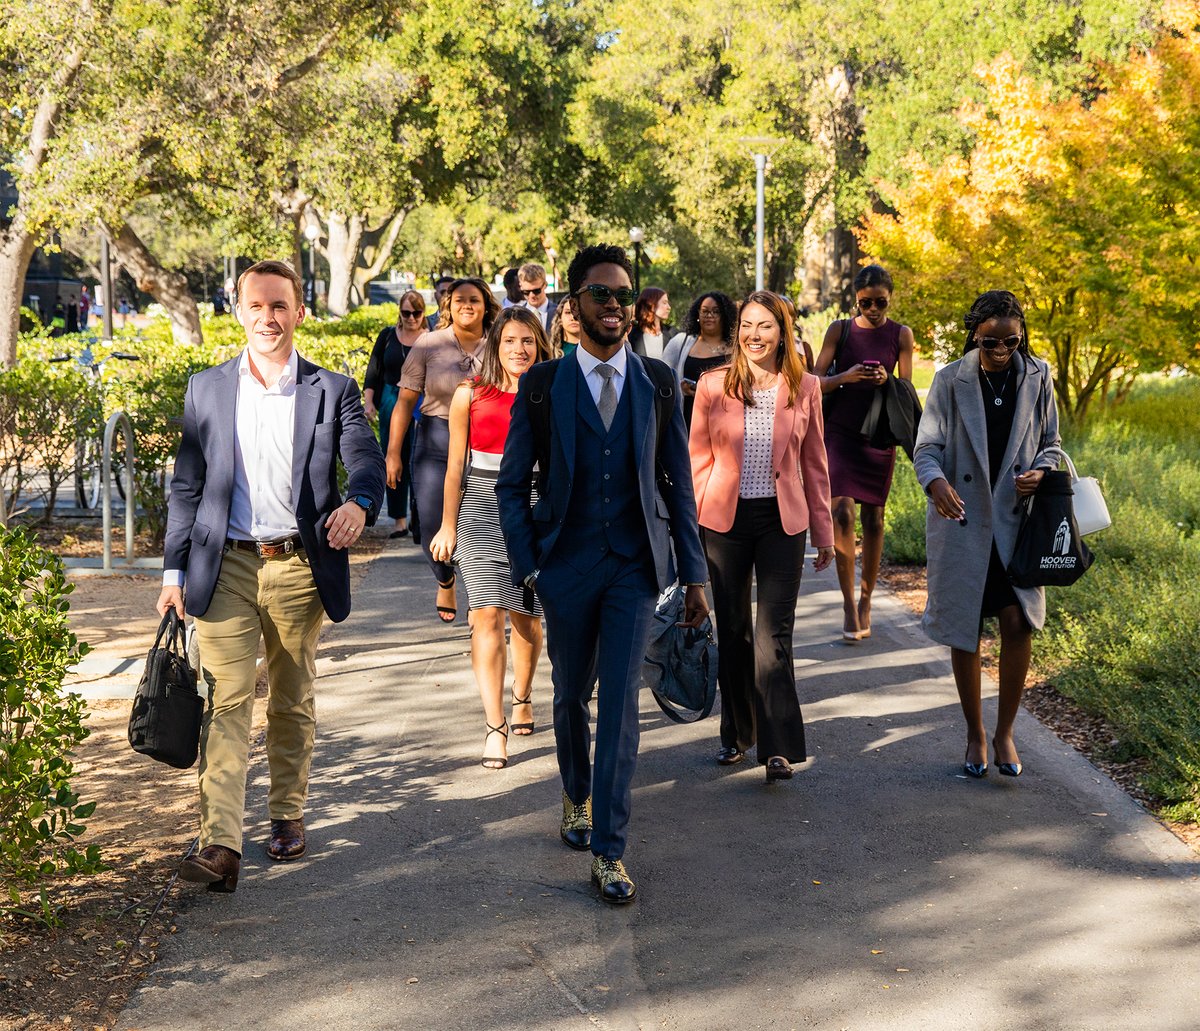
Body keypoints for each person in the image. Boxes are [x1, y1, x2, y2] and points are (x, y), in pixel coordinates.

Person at [157, 259, 385, 894]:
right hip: (222, 563)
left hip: (297, 566)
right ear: (237, 312)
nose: (268, 317)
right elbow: (187, 487)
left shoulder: (330, 390)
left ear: (299, 313)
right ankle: (221, 844)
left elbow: (363, 461)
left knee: (289, 695)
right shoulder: (206, 389)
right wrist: (174, 570)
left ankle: (286, 814)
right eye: (255, 305)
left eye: (279, 305)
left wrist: (359, 503)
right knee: (226, 699)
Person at [496, 244, 708, 905]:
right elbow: (509, 486)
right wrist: (531, 564)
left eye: (624, 294)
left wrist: (695, 572)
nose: (615, 304)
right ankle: (574, 789)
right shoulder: (543, 384)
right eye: (601, 293)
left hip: (635, 567)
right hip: (565, 565)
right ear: (573, 305)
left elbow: (677, 484)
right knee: (568, 699)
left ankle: (608, 850)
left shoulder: (659, 381)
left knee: (619, 704)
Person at [913, 290, 1061, 779]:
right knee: (966, 629)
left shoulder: (1038, 378)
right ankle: (976, 732)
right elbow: (926, 448)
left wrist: (1041, 471)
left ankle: (1006, 733)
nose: (1001, 350)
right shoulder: (949, 380)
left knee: (1018, 622)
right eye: (991, 341)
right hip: (963, 522)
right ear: (974, 334)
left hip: (1016, 523)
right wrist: (936, 484)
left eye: (1011, 341)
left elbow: (1052, 445)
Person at [690, 291, 835, 782]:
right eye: (747, 326)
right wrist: (689, 532)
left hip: (782, 523)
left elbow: (815, 464)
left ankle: (776, 747)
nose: (755, 335)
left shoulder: (806, 386)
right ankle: (736, 734)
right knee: (732, 630)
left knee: (774, 635)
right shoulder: (712, 385)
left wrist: (825, 531)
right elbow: (697, 461)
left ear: (782, 332)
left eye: (765, 326)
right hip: (722, 522)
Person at [430, 308, 551, 769]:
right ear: (494, 346)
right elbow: (454, 467)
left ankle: (523, 694)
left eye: (528, 341)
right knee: (484, 615)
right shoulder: (470, 394)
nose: (519, 350)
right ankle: (494, 725)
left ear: (539, 345)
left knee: (526, 618)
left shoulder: (553, 392)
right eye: (510, 341)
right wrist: (447, 525)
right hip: (480, 506)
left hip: (536, 509)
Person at [386, 278, 500, 622]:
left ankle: (481, 599)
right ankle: (445, 578)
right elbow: (405, 402)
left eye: (475, 300)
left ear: (485, 305)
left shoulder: (498, 342)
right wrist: (393, 453)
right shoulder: (429, 343)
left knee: (481, 528)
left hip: (485, 443)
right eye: (460, 300)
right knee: (433, 526)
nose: (467, 306)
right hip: (435, 440)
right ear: (448, 305)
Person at [814, 265, 915, 642]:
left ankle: (867, 599)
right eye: (865, 303)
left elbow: (906, 389)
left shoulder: (901, 335)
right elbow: (814, 381)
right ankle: (846, 602)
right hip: (840, 431)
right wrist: (846, 376)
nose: (872, 309)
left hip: (878, 434)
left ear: (890, 298)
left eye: (880, 302)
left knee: (873, 519)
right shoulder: (839, 330)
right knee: (841, 511)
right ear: (855, 300)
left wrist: (887, 379)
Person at [363, 290, 425, 537]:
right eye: (406, 313)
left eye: (416, 313)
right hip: (390, 398)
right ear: (399, 312)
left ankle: (419, 517)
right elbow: (373, 370)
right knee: (392, 456)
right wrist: (369, 401)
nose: (411, 318)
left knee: (418, 458)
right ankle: (399, 518)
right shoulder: (388, 336)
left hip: (421, 401)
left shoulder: (430, 338)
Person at [663, 291, 737, 426]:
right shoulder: (680, 342)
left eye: (716, 311)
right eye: (705, 311)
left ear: (725, 316)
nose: (710, 316)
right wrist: (681, 388)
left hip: (727, 421)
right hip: (688, 421)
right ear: (697, 314)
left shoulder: (737, 347)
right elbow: (661, 380)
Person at [627, 287, 672, 359]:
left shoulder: (673, 334)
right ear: (651, 304)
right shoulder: (630, 336)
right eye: (664, 303)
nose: (669, 307)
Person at [517, 262, 557, 330]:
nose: (531, 295)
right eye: (526, 292)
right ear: (521, 287)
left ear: (545, 285)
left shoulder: (559, 312)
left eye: (536, 291)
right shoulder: (517, 315)